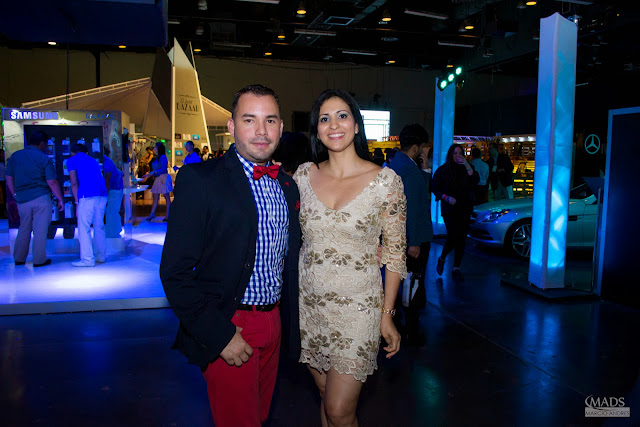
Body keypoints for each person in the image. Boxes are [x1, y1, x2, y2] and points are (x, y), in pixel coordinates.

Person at [160, 84, 301, 427]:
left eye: (270, 120)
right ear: (231, 126)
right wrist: (218, 334)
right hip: (230, 322)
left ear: (281, 127)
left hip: (275, 321)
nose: (261, 131)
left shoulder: (286, 186)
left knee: (259, 416)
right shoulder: (201, 180)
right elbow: (175, 272)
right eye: (249, 120)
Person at [293, 89, 405, 426]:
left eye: (342, 116)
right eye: (324, 119)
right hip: (310, 308)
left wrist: (387, 315)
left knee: (339, 409)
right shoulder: (302, 177)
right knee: (326, 399)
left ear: (356, 125)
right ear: (317, 131)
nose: (334, 124)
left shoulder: (385, 182)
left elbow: (395, 254)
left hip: (358, 310)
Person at [389, 123, 433, 346]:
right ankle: (411, 331)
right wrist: (414, 242)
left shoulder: (395, 165)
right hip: (413, 238)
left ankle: (395, 324)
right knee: (413, 284)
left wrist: (424, 170)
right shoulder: (410, 170)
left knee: (398, 283)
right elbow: (414, 206)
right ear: (416, 147)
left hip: (396, 236)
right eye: (423, 146)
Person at [5, 131, 64, 267]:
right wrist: (60, 199)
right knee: (40, 230)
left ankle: (19, 258)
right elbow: (52, 182)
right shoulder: (43, 158)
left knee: (24, 228)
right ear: (42, 143)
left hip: (22, 199)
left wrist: (15, 194)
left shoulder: (15, 156)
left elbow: (9, 177)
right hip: (41, 198)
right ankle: (39, 260)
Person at [431, 144, 479, 277]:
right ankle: (442, 258)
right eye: (455, 153)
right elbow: (434, 187)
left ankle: (456, 267)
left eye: (460, 153)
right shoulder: (443, 170)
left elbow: (475, 179)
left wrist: (467, 165)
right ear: (450, 155)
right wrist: (445, 197)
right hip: (449, 208)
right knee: (453, 236)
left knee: (462, 238)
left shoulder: (467, 168)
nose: (458, 156)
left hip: (464, 207)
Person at [67, 143, 108, 267]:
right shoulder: (93, 160)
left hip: (87, 195)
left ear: (72, 152)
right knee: (99, 226)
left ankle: (87, 259)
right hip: (102, 195)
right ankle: (100, 256)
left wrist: (77, 202)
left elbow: (74, 182)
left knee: (84, 227)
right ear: (86, 152)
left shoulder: (72, 160)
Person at [142, 142, 172, 221]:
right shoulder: (158, 157)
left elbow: (163, 169)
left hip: (163, 178)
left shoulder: (162, 157)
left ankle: (168, 215)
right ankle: (152, 214)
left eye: (155, 147)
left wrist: (152, 173)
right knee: (155, 196)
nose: (154, 149)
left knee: (166, 197)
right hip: (158, 178)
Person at [103, 147, 124, 238]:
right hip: (116, 189)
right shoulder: (109, 161)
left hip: (113, 189)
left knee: (111, 211)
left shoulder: (106, 162)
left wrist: (106, 193)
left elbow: (107, 179)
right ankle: (115, 231)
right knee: (113, 211)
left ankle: (113, 233)